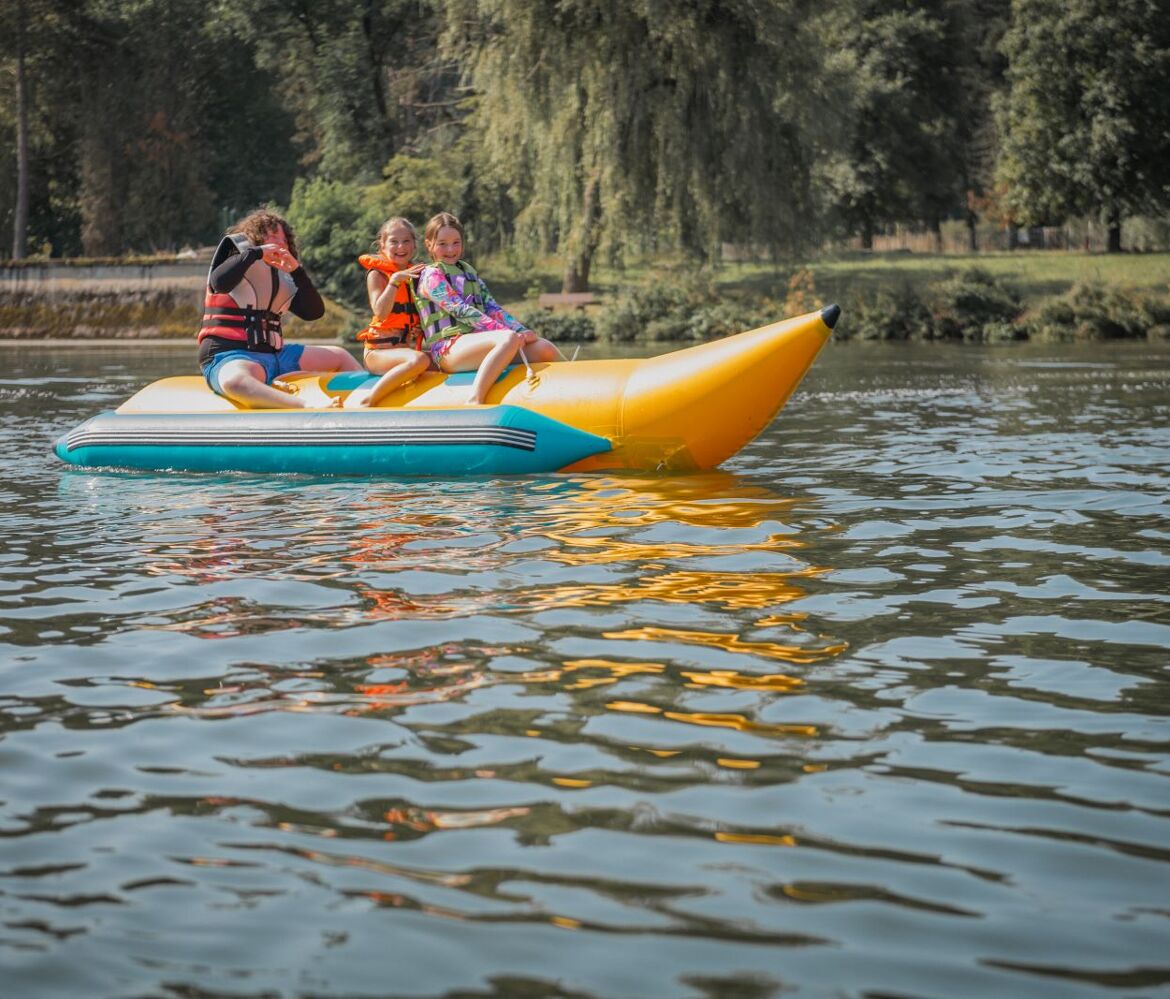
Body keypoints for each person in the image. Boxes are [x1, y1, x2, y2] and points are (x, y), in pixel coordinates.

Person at [197, 209, 361, 409]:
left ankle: (367, 401)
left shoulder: (283, 274)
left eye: (284, 240)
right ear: (255, 237)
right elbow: (219, 282)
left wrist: (297, 271)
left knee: (340, 356)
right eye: (273, 237)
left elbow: (313, 312)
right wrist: (257, 253)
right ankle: (305, 405)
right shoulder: (237, 256)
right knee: (235, 382)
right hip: (229, 355)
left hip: (278, 357)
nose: (280, 244)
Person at [415, 211, 560, 405]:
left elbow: (492, 308)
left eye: (456, 242)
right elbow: (459, 309)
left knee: (544, 348)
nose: (450, 249)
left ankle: (551, 397)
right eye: (442, 244)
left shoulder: (469, 273)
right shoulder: (430, 276)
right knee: (508, 338)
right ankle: (475, 399)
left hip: (478, 342)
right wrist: (507, 333)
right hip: (448, 350)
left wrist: (521, 330)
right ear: (429, 245)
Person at [347, 217, 431, 408]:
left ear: (414, 245)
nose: (401, 246)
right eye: (394, 241)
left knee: (441, 360)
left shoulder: (418, 276)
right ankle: (368, 400)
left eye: (406, 241)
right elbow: (380, 312)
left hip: (404, 351)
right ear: (382, 245)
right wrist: (394, 281)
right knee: (420, 360)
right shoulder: (377, 275)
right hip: (378, 354)